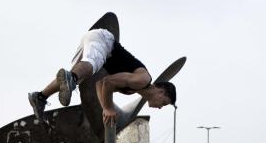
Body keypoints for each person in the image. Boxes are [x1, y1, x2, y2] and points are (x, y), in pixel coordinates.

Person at [28, 27, 176, 126]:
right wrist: (108, 108)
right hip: (103, 40)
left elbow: (100, 84)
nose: (160, 107)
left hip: (95, 42)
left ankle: (40, 97)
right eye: (164, 102)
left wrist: (105, 108)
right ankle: (71, 77)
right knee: (91, 64)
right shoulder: (143, 80)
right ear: (160, 91)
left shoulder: (132, 89)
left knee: (77, 78)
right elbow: (108, 81)